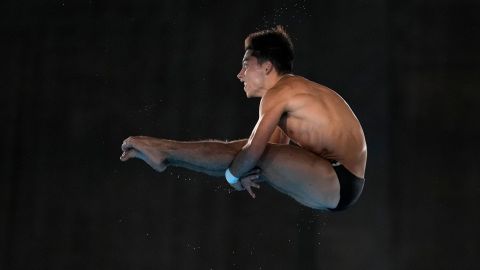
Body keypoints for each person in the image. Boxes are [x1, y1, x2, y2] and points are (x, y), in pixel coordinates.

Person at [120, 26, 367, 212]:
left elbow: (253, 151)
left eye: (246, 65)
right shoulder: (295, 92)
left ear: (268, 67)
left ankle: (163, 151)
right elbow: (272, 151)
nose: (240, 75)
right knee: (244, 154)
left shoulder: (279, 93)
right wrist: (239, 171)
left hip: (337, 179)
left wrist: (233, 178)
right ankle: (165, 156)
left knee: (244, 154)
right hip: (340, 181)